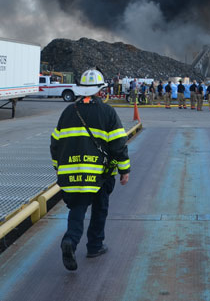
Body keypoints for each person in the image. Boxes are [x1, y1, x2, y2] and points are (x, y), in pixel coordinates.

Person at [50, 68, 130, 271]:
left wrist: (59, 169)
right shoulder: (107, 112)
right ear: (100, 91)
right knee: (99, 209)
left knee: (77, 209)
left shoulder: (68, 112)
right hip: (100, 174)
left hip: (72, 174)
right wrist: (124, 170)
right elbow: (118, 143)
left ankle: (70, 240)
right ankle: (95, 246)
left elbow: (55, 144)